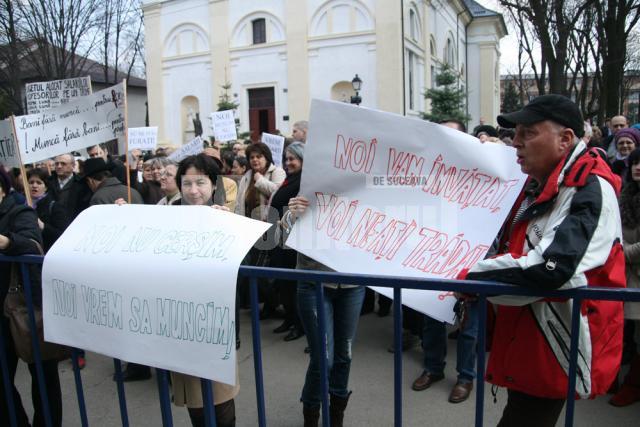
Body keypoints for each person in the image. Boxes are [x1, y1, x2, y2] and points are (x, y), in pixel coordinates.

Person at [460, 95, 625, 426]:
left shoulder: (588, 188)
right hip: (536, 337)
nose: (516, 143)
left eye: (528, 133)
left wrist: (469, 277)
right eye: (516, 133)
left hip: (557, 345)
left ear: (565, 139)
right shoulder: (547, 183)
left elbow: (550, 268)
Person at [411, 120, 480, 404]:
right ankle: (433, 368)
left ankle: (465, 377)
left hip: (472, 258)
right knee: (432, 319)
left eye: (454, 132)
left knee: (470, 326)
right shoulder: (428, 171)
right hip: (435, 256)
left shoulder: (480, 170)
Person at [170, 154, 239, 427]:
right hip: (178, 322)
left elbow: (249, 266)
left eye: (201, 182)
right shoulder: (167, 215)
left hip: (215, 322)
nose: (193, 190)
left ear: (213, 184)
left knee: (221, 401)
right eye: (187, 183)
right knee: (196, 402)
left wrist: (229, 229)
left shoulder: (224, 216)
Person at [283, 196, 365, 427]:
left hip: (352, 285)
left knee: (344, 355)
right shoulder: (311, 184)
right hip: (314, 283)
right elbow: (283, 238)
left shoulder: (364, 187)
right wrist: (292, 216)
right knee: (323, 359)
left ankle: (336, 414)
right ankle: (311, 413)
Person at [0, 166, 63, 427]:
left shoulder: (19, 211)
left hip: (27, 307)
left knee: (43, 376)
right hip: (2, 314)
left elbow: (30, 243)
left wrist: (5, 242)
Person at [610, 147, 640, 407]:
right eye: (635, 163)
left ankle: (633, 384)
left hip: (633, 270)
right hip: (623, 272)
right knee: (621, 328)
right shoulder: (625, 195)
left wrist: (621, 254)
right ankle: (613, 377)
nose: (638, 167)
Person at [268, 142, 305, 341]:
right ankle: (290, 319)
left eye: (293, 159)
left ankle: (299, 325)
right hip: (279, 237)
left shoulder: (304, 181)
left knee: (293, 284)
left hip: (292, 240)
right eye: (286, 159)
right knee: (284, 282)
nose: (288, 162)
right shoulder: (290, 179)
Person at [26, 168, 70, 252]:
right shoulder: (20, 204)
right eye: (31, 182)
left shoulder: (54, 206)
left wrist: (43, 226)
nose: (34, 185)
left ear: (46, 187)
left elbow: (63, 234)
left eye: (39, 183)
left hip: (45, 254)